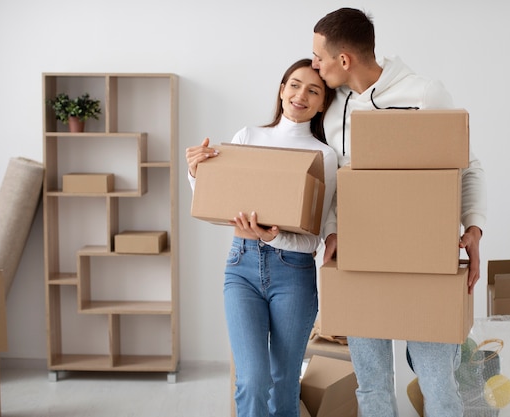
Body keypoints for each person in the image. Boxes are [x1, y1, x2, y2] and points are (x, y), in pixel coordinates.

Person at [312, 8, 487, 417]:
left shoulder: (423, 94)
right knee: (371, 386)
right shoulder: (332, 106)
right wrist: (334, 231)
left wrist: (474, 228)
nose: (314, 64)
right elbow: (335, 181)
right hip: (360, 259)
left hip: (424, 262)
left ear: (344, 60)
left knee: (438, 385)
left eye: (319, 56)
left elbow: (468, 164)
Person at [186, 58, 337, 417]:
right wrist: (195, 173)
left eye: (313, 90)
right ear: (282, 90)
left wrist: (271, 238)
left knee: (284, 379)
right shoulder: (248, 137)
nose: (301, 94)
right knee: (252, 380)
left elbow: (311, 241)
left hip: (294, 273)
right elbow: (217, 203)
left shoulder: (325, 157)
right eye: (295, 85)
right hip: (241, 269)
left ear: (322, 104)